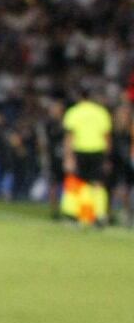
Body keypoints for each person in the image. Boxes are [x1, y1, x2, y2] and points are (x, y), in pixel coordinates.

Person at [59, 83, 114, 226]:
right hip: (98, 151)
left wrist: (68, 157)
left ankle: (76, 215)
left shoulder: (74, 112)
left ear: (80, 96)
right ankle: (100, 215)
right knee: (98, 183)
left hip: (80, 150)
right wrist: (107, 158)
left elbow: (69, 136)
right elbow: (107, 137)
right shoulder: (101, 112)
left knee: (77, 183)